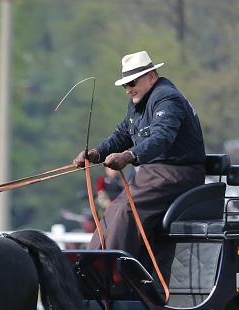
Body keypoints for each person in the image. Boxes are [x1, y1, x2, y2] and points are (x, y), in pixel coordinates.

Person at [73, 50, 206, 261]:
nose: (128, 90)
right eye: (125, 85)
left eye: (132, 83)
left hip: (178, 175)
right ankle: (90, 270)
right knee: (112, 210)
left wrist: (128, 156)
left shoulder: (168, 99)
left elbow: (162, 138)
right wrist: (96, 153)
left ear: (151, 76)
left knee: (127, 211)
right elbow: (121, 135)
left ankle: (112, 274)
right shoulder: (138, 104)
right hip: (151, 176)